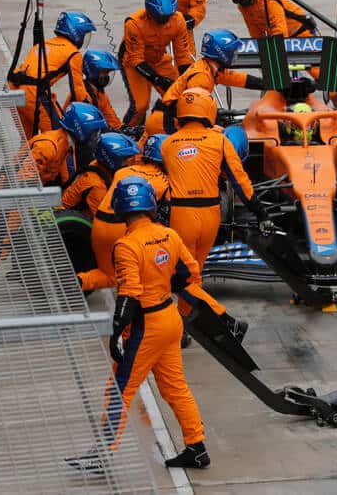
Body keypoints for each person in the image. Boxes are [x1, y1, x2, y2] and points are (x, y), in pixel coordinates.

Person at [64, 176, 245, 473]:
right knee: (175, 388)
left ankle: (102, 456)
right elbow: (190, 273)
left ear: (121, 208)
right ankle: (196, 448)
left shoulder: (126, 245)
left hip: (146, 325)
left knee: (118, 390)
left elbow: (129, 294)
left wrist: (116, 333)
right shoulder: (169, 235)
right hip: (171, 319)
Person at [0, 103, 108, 306]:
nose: (95, 138)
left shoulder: (63, 144)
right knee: (1, 249)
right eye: (93, 133)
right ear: (80, 129)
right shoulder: (50, 147)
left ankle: (20, 271)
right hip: (13, 198)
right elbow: (23, 181)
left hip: (22, 198)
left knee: (24, 236)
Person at [162, 89, 272, 306]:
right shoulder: (220, 141)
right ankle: (189, 319)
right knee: (196, 272)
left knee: (180, 272)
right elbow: (240, 181)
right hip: (211, 215)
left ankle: (180, 321)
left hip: (181, 215)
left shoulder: (167, 145)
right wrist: (261, 213)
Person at [80, 133, 171, 293]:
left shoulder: (123, 171)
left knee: (108, 275)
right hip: (123, 230)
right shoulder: (165, 182)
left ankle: (74, 283)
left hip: (100, 225)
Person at [147, 29, 264, 135]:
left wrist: (268, 83)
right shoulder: (201, 77)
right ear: (222, 53)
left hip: (171, 119)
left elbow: (239, 79)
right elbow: (194, 110)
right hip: (166, 124)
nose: (235, 55)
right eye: (233, 52)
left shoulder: (210, 67)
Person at [8, 10, 96, 137]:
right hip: (33, 94)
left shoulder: (44, 43)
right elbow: (77, 90)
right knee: (58, 136)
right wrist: (91, 107)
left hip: (14, 89)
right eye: (84, 34)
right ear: (76, 32)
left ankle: (23, 158)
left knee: (30, 141)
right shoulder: (73, 53)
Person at [120, 0, 194, 126]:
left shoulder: (178, 21)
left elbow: (182, 56)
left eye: (168, 17)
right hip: (133, 63)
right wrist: (158, 79)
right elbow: (136, 59)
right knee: (140, 106)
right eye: (161, 18)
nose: (165, 21)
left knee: (181, 97)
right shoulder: (134, 24)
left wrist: (188, 80)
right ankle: (125, 132)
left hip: (159, 59)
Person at [61, 132, 140, 217]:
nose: (128, 163)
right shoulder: (97, 186)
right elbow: (104, 218)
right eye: (125, 159)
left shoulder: (98, 164)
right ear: (112, 160)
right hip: (68, 220)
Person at [226, 0, 318, 39]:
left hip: (300, 32)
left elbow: (279, 27)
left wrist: (278, 48)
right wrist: (258, 46)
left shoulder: (269, 0)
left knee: (316, 69)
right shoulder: (243, 6)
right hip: (279, 37)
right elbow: (253, 28)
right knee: (280, 69)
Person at [81, 49, 124, 131]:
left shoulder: (101, 94)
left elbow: (113, 121)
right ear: (93, 71)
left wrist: (126, 129)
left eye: (108, 73)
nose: (107, 76)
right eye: (104, 72)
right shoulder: (83, 95)